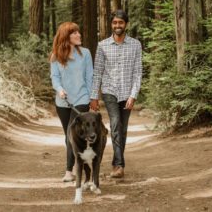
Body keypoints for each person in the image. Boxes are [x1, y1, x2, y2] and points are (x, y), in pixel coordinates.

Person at [90, 10, 142, 178]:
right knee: (115, 123)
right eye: (115, 23)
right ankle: (118, 165)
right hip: (110, 91)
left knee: (123, 128)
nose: (117, 26)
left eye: (120, 23)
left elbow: (137, 72)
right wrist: (94, 97)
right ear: (111, 25)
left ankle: (118, 162)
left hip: (127, 93)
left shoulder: (136, 45)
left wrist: (133, 95)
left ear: (126, 24)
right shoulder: (102, 45)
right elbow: (97, 72)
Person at [49, 22, 93, 182]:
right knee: (68, 135)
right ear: (66, 36)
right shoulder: (55, 55)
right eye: (74, 33)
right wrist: (59, 89)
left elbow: (90, 77)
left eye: (78, 33)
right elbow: (55, 77)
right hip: (63, 102)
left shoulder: (86, 54)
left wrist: (89, 98)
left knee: (70, 135)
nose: (79, 35)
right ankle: (76, 163)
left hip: (81, 101)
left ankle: (69, 171)